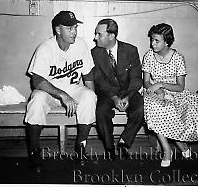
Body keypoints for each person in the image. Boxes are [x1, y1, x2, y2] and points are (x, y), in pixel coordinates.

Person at [25, 11, 97, 172]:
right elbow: (36, 81)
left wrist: (93, 100)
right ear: (58, 30)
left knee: (90, 96)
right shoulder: (45, 47)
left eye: (75, 27)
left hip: (73, 88)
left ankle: (80, 147)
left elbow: (88, 75)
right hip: (49, 91)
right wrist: (62, 95)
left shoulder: (81, 44)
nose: (74, 31)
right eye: (70, 28)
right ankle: (34, 152)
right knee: (36, 101)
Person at [142, 23, 198, 167]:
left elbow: (180, 86)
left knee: (171, 111)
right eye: (152, 40)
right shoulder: (149, 56)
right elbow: (146, 82)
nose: (152, 44)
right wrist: (157, 89)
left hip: (176, 93)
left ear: (167, 42)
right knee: (155, 107)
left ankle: (181, 144)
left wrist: (161, 85)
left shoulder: (177, 58)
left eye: (156, 40)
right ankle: (167, 151)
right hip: (154, 91)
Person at [91, 18, 144, 160]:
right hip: (107, 93)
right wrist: (114, 97)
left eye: (99, 34)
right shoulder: (94, 53)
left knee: (142, 108)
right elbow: (99, 80)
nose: (95, 38)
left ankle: (123, 143)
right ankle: (109, 148)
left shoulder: (131, 50)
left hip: (128, 92)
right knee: (101, 111)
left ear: (111, 36)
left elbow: (136, 78)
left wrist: (128, 96)